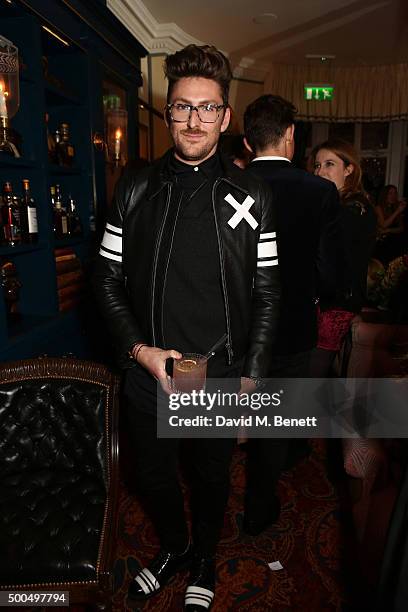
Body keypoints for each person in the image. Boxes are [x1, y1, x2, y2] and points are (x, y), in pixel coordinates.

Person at [93, 45, 280, 611]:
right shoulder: (134, 189)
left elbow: (269, 293)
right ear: (167, 111)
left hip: (218, 376)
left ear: (226, 118)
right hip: (151, 373)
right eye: (181, 108)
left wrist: (251, 377)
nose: (194, 121)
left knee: (210, 479)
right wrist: (140, 351)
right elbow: (105, 282)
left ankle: (204, 556)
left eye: (207, 109)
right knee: (147, 477)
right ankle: (173, 547)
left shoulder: (255, 196)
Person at [242, 94, 345, 536]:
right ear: (289, 135)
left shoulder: (225, 187)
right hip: (291, 327)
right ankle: (259, 509)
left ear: (247, 141)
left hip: (235, 327)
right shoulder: (320, 192)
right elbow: (329, 272)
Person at [311, 138, 377, 375]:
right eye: (317, 165)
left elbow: (335, 260)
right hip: (332, 301)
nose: (321, 171)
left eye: (330, 164)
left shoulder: (353, 209)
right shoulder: (336, 205)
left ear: (349, 169)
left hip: (336, 305)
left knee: (312, 372)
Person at [374, 184, 407, 264]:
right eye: (390, 193)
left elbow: (401, 228)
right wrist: (397, 211)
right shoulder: (379, 208)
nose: (393, 196)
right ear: (385, 195)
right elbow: (383, 225)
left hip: (394, 240)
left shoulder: (396, 207)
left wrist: (388, 230)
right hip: (382, 242)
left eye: (395, 193)